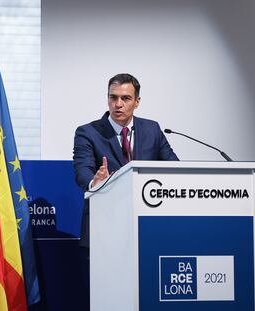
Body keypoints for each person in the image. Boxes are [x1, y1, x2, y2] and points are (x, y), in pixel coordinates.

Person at [72, 73, 178, 308]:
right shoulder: (87, 132)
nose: (118, 104)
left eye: (126, 98)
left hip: (147, 233)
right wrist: (95, 182)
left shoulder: (152, 130)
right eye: (113, 97)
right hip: (104, 232)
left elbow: (173, 168)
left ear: (137, 101)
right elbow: (82, 171)